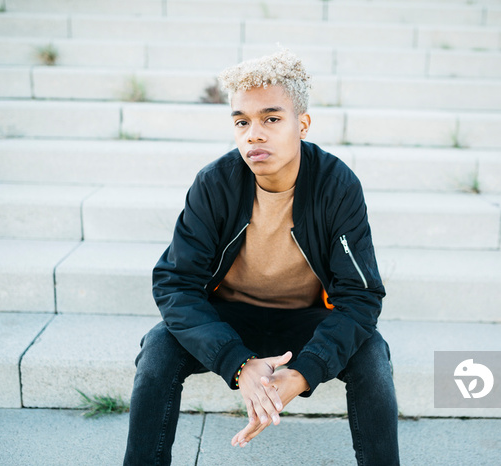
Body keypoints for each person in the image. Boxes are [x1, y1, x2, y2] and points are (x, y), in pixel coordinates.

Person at [123, 50, 400, 466]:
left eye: (271, 119)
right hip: (230, 317)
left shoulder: (336, 185)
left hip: (306, 322)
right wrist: (238, 364)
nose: (254, 134)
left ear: (302, 124)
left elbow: (360, 298)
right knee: (159, 348)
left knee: (373, 356)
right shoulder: (216, 183)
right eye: (242, 121)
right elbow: (174, 282)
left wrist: (304, 371)